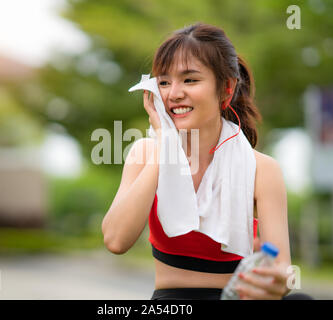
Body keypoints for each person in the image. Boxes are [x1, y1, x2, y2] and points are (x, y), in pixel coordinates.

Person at [102, 23, 312, 300]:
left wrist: (275, 281)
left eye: (190, 80)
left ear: (226, 88)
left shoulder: (262, 169)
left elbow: (284, 269)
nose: (174, 93)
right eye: (164, 82)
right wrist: (166, 146)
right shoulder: (145, 153)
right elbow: (116, 241)